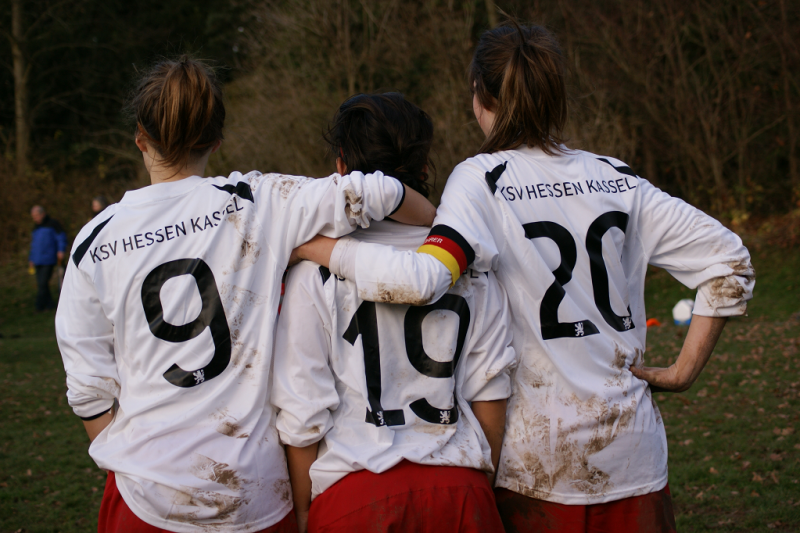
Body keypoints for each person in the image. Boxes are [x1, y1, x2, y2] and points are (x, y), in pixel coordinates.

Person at [295, 22, 755, 532]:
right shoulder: (616, 176)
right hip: (633, 451)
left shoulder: (479, 181)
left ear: (480, 96)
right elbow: (729, 260)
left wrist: (309, 245)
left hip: (538, 462)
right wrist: (683, 371)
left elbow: (422, 279)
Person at [55, 57, 436, 533]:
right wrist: (438, 227)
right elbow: (382, 192)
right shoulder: (260, 201)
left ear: (140, 137)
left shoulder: (96, 241)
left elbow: (89, 393)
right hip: (255, 497)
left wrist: (137, 465)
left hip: (144, 502)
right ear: (217, 140)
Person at [272, 93, 515, 533]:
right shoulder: (468, 261)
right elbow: (490, 394)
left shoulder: (311, 272)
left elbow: (303, 414)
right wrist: (481, 487)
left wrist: (305, 514)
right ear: (424, 169)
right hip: (459, 490)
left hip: (355, 497)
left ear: (341, 168)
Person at [29, 205, 67, 311]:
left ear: (42, 214)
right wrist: (31, 259)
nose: (35, 219)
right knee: (42, 285)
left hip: (49, 259)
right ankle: (50, 304)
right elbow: (34, 245)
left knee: (42, 283)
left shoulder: (53, 224)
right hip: (37, 260)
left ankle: (39, 306)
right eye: (33, 217)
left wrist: (61, 250)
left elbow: (61, 238)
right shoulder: (36, 228)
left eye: (36, 216)